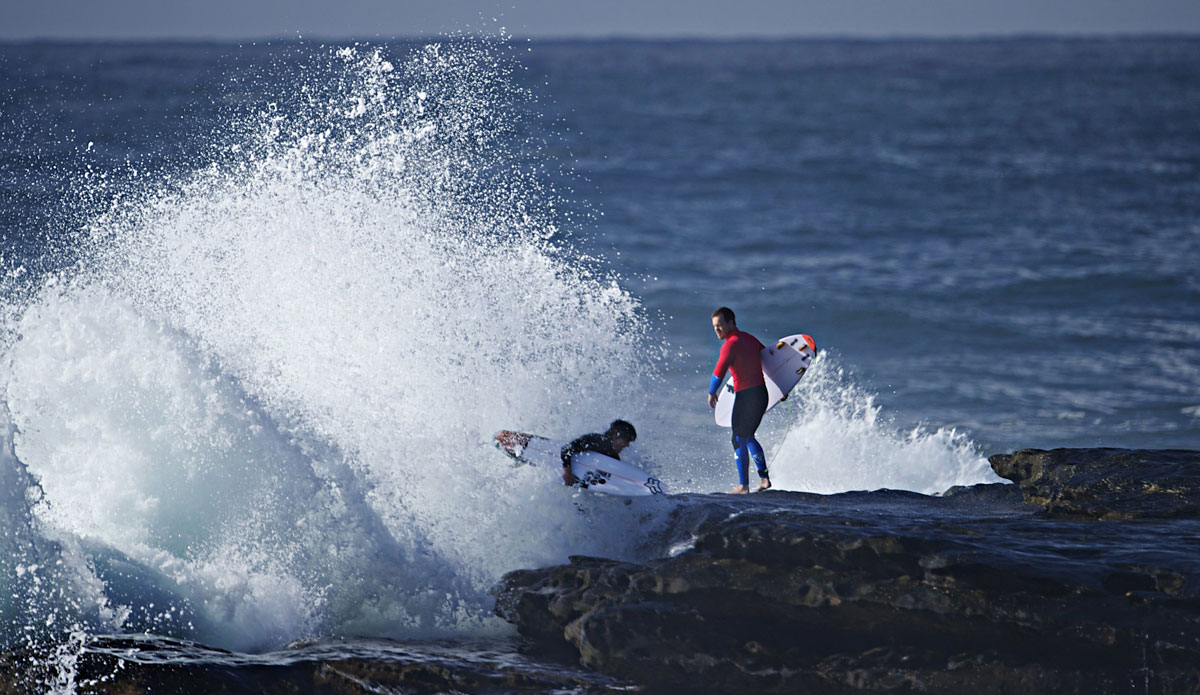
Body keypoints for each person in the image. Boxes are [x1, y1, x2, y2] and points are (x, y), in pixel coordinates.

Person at [707, 307, 771, 494]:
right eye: (714, 327)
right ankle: (764, 479)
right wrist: (781, 389)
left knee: (737, 438)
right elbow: (769, 361)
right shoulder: (750, 339)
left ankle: (743, 486)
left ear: (731, 322)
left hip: (747, 396)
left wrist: (712, 392)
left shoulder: (730, 344)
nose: (717, 330)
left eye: (720, 325)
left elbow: (719, 371)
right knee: (748, 436)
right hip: (761, 394)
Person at [560, 419, 638, 486]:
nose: (627, 445)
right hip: (565, 469)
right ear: (615, 435)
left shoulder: (614, 458)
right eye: (626, 440)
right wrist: (567, 472)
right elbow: (567, 449)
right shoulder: (596, 440)